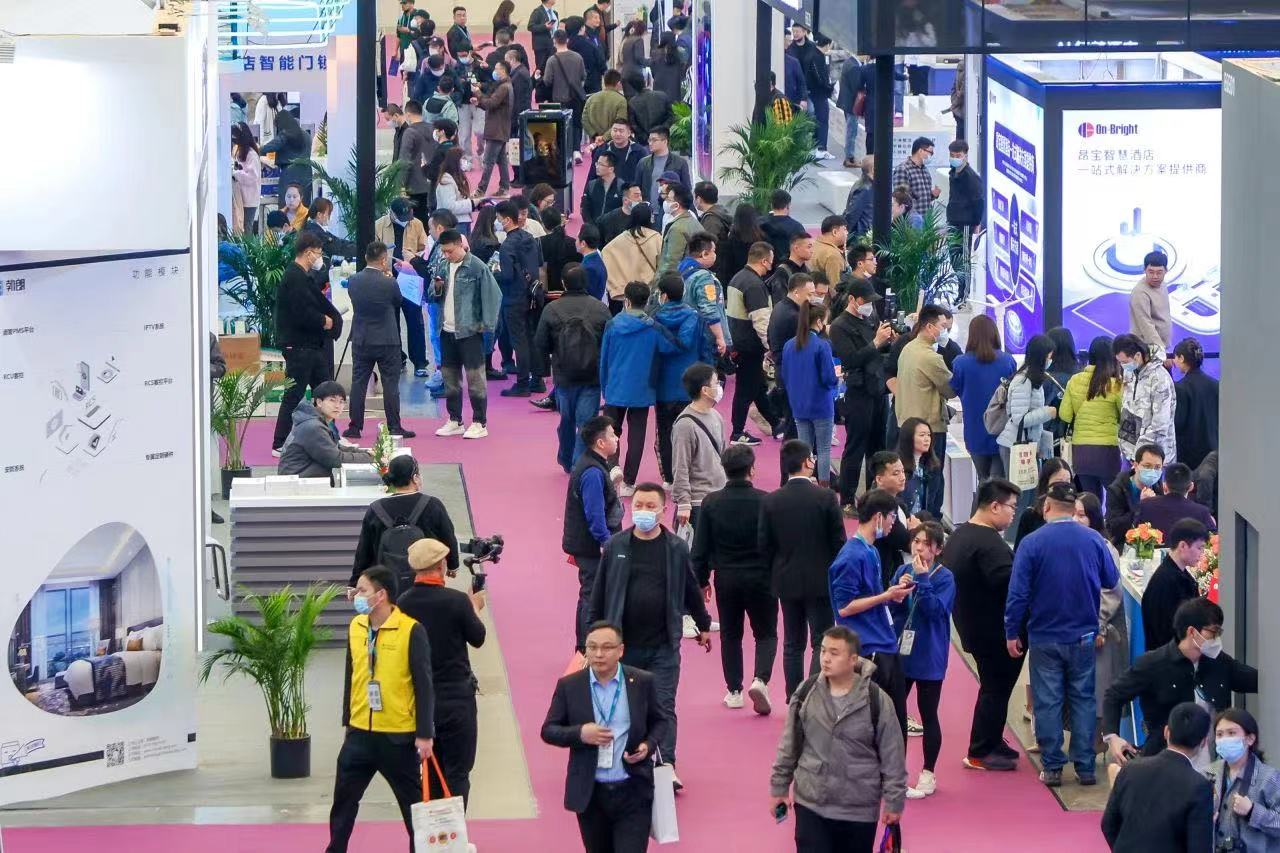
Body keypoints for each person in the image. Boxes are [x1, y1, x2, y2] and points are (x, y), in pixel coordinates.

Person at [588, 483, 713, 786]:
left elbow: (690, 589)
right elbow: (599, 594)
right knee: (623, 704)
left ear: (663, 510)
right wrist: (590, 640)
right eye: (638, 505)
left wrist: (703, 624)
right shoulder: (616, 546)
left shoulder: (676, 548)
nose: (643, 511)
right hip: (623, 646)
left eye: (650, 506)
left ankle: (666, 764)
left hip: (663, 645)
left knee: (663, 705)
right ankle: (622, 759)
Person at [1005, 482, 1119, 787]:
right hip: (1083, 635)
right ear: (1073, 508)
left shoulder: (1032, 543)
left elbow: (1018, 594)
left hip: (1044, 635)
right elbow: (1111, 579)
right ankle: (1085, 767)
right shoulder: (1094, 540)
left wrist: (1012, 630)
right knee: (1083, 698)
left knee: (1048, 700)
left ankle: (1053, 766)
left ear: (1046, 507)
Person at [325, 566, 434, 853]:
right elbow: (351, 675)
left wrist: (424, 734)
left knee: (414, 810)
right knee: (343, 803)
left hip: (397, 736)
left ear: (381, 595)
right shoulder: (356, 627)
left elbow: (424, 685)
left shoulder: (411, 630)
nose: (355, 596)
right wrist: (348, 720)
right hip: (359, 733)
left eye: (362, 590)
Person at [769, 626, 906, 853]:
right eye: (823, 651)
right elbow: (788, 745)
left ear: (853, 659)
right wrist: (779, 788)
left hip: (859, 810)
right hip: (811, 804)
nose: (825, 658)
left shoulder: (877, 700)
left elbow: (893, 756)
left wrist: (894, 801)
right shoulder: (806, 692)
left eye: (834, 653)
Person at [540, 621, 669, 853]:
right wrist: (580, 733)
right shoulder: (570, 685)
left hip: (633, 789)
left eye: (607, 647)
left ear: (621, 650)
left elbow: (660, 721)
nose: (599, 654)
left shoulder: (641, 682)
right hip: (591, 794)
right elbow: (549, 730)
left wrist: (647, 745)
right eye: (592, 647)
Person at [1106, 597, 1258, 765]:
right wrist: (1112, 737)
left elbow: (1256, 680)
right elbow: (1113, 695)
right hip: (1164, 762)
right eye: (1213, 632)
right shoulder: (1153, 664)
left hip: (1213, 761)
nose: (1216, 639)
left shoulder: (1219, 662)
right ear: (1192, 632)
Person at [393, 537, 484, 806]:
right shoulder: (457, 601)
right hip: (457, 698)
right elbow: (478, 637)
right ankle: (454, 828)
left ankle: (433, 827)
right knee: (458, 772)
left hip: (421, 702)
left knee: (430, 771)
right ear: (441, 565)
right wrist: (475, 607)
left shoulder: (403, 603)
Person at [942, 477, 1025, 771]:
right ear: (994, 506)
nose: (1014, 513)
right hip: (994, 631)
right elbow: (1010, 586)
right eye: (1011, 507)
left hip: (972, 625)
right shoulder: (989, 544)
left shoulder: (961, 534)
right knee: (995, 689)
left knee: (995, 688)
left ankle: (991, 738)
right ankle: (980, 750)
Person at [691, 445, 777, 714]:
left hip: (726, 577)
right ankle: (760, 679)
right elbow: (775, 543)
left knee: (730, 634)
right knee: (766, 633)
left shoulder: (711, 502)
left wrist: (702, 580)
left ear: (724, 470)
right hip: (762, 576)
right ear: (752, 469)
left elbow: (700, 548)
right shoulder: (766, 501)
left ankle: (734, 690)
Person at [760, 439, 848, 699]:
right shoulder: (826, 497)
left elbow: (764, 545)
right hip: (821, 580)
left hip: (786, 580)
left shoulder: (771, 501)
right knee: (821, 640)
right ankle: (811, 695)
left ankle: (793, 696)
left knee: (792, 642)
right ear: (807, 461)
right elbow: (839, 542)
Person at [829, 487, 916, 737]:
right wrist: (886, 596)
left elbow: (870, 597)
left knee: (894, 723)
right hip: (869, 649)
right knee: (876, 726)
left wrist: (891, 595)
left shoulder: (872, 551)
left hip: (883, 641)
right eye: (892, 517)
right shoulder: (851, 557)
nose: (893, 524)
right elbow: (844, 607)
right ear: (879, 517)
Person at [889, 520, 955, 799]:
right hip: (902, 651)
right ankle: (894, 772)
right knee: (894, 714)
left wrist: (923, 580)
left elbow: (934, 611)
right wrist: (897, 591)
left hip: (929, 654)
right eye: (916, 541)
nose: (919, 548)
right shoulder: (903, 570)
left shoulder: (945, 577)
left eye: (926, 544)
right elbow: (891, 608)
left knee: (928, 714)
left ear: (938, 549)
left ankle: (928, 771)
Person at [1101, 702, 1214, 853]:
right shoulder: (1199, 786)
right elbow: (1199, 847)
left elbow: (1108, 824)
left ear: (1166, 732)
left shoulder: (1130, 769)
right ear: (1204, 742)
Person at [536, 264, 612, 471]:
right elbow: (609, 342)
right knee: (586, 423)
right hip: (592, 375)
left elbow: (541, 343)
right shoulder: (600, 309)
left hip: (564, 374)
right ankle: (579, 463)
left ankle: (566, 457)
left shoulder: (552, 309)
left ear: (563, 283)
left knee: (567, 419)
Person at [270, 233, 341, 454]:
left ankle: (331, 436)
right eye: (318, 253)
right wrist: (324, 321)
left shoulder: (302, 276)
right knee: (294, 394)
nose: (320, 258)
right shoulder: (294, 277)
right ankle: (279, 442)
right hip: (299, 346)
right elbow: (302, 312)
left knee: (325, 391)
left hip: (311, 345)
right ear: (308, 253)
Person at [431, 228, 502, 440]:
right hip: (446, 330)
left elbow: (493, 296)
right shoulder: (443, 266)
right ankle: (455, 420)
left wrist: (486, 326)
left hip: (470, 331)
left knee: (475, 378)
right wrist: (437, 287)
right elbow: (432, 295)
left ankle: (480, 421)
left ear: (460, 245)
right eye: (444, 251)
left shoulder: (477, 267)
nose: (447, 255)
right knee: (450, 378)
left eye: (450, 251)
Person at [829, 276, 895, 504]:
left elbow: (879, 353)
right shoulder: (839, 326)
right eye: (865, 301)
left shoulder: (870, 319)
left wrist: (888, 341)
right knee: (856, 447)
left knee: (878, 447)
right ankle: (847, 499)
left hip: (878, 390)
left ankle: (874, 496)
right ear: (852, 299)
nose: (869, 305)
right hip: (858, 393)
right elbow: (851, 359)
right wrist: (876, 342)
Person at [600, 281, 671, 492]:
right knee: (637, 434)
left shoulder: (612, 325)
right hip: (643, 387)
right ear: (647, 301)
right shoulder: (654, 327)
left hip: (615, 385)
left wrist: (605, 385)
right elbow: (668, 350)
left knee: (610, 430)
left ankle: (613, 466)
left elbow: (604, 358)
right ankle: (630, 481)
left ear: (627, 301)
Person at [563, 416, 624, 653]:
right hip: (591, 547)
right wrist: (606, 542)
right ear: (600, 442)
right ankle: (584, 648)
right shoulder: (592, 473)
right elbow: (595, 515)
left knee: (591, 594)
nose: (616, 439)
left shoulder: (592, 464)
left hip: (587, 544)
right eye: (612, 435)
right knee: (591, 596)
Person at [351, 454, 458, 585]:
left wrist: (354, 582)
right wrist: (453, 565)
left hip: (387, 583)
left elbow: (364, 551)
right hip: (426, 579)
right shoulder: (432, 504)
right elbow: (448, 537)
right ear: (415, 478)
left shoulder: (375, 509)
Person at [343, 242, 413, 440]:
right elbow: (398, 301)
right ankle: (394, 426)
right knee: (390, 384)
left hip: (361, 338)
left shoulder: (353, 281)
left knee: (359, 383)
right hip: (387, 339)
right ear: (384, 260)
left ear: (366, 258)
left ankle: (355, 427)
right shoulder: (390, 283)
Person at [1074, 492, 1129, 739]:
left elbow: (1110, 592)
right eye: (1073, 514)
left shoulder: (1105, 548)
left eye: (1082, 515)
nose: (1076, 520)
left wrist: (1097, 623)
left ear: (1094, 518)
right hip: (1073, 628)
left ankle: (1098, 741)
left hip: (1098, 629)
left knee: (1099, 687)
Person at [652, 274, 704, 485]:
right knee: (691, 431)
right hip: (689, 384)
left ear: (663, 295)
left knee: (665, 432)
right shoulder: (695, 317)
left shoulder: (654, 320)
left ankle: (669, 477)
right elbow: (704, 349)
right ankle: (690, 473)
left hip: (663, 384)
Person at [948, 314, 1015, 479]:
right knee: (999, 481)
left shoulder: (960, 363)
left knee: (983, 478)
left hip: (974, 430)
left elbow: (953, 390)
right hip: (1002, 429)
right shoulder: (1008, 361)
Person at [493, 200, 546, 398]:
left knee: (519, 340)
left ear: (507, 220)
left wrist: (495, 273)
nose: (497, 223)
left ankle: (522, 383)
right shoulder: (530, 238)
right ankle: (537, 379)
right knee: (532, 337)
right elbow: (538, 263)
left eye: (499, 219)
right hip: (533, 293)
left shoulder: (507, 245)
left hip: (514, 297)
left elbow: (507, 276)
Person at [782, 301, 839, 486]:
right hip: (821, 404)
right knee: (823, 450)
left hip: (798, 404)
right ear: (820, 321)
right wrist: (838, 378)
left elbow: (785, 375)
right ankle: (824, 489)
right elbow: (829, 378)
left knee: (804, 450)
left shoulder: (789, 345)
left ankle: (802, 485)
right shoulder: (822, 345)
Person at [1060, 336, 1124, 500]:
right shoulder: (1116, 384)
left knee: (1089, 501)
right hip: (1107, 451)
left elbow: (1064, 415)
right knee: (1115, 500)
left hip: (1081, 451)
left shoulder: (1074, 380)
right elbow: (1124, 415)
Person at [726, 241, 777, 446]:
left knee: (756, 387)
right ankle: (737, 432)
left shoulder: (738, 278)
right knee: (745, 390)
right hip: (750, 345)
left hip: (739, 341)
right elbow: (761, 320)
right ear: (764, 261)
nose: (771, 266)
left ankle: (775, 423)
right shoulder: (755, 285)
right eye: (771, 261)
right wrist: (771, 347)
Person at [1210, 709, 1280, 852]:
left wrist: (1253, 811)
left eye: (1231, 733)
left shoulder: (1269, 777)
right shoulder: (1208, 773)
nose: (1224, 739)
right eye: (1219, 734)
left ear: (1250, 739)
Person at [894, 305, 956, 463]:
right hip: (928, 427)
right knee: (932, 473)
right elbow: (951, 390)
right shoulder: (931, 357)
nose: (945, 331)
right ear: (929, 326)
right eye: (943, 326)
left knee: (912, 470)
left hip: (906, 423)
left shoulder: (907, 349)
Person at [1139, 517, 1211, 652]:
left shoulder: (1179, 574)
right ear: (1183, 546)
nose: (1202, 554)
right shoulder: (1167, 582)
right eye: (1199, 548)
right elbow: (1168, 632)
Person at [670, 362, 727, 532]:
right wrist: (684, 503)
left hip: (719, 496)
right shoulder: (685, 425)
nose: (719, 386)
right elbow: (680, 466)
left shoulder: (716, 416)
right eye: (716, 382)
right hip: (697, 502)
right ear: (705, 390)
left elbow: (723, 456)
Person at [277, 380, 372, 478]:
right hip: (298, 482)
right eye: (332, 400)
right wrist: (372, 458)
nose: (337, 406)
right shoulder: (313, 427)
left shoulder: (315, 421)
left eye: (341, 402)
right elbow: (336, 459)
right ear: (319, 402)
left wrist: (366, 453)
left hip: (302, 477)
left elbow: (335, 447)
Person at [995, 332, 1057, 475]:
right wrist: (1047, 412)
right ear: (1040, 357)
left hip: (1026, 444)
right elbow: (1019, 419)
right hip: (1016, 445)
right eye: (1049, 357)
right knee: (1019, 489)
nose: (1050, 360)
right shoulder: (1023, 381)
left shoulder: (1033, 379)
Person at [766, 272, 815, 445]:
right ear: (796, 292)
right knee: (794, 428)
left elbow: (769, 338)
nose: (812, 299)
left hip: (784, 370)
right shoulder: (794, 316)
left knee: (792, 425)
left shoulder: (780, 307)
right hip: (793, 375)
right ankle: (791, 462)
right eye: (810, 294)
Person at [1116, 332, 1178, 463]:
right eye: (1120, 362)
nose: (1122, 366)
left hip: (1155, 458)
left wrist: (1140, 456)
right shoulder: (1130, 373)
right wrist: (1128, 451)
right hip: (1130, 455)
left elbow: (1160, 426)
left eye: (1125, 362)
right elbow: (1127, 411)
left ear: (1138, 356)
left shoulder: (1159, 378)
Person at [1105, 442, 1168, 548]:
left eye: (1157, 467)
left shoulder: (1157, 485)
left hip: (1152, 542)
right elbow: (1114, 528)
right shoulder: (1117, 489)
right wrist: (1141, 506)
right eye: (1147, 466)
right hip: (1125, 544)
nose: (1152, 472)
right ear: (1135, 465)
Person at [677, 232, 730, 357]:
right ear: (704, 254)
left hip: (685, 331)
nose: (715, 255)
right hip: (703, 337)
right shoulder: (703, 277)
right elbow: (709, 310)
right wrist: (720, 337)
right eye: (713, 251)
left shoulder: (681, 270)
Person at [602, 202, 660, 313]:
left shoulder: (622, 238)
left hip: (628, 292)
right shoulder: (656, 237)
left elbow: (606, 252)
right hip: (649, 291)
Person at [1132, 463, 1216, 537]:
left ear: (1165, 486)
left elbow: (1133, 535)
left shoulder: (1145, 506)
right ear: (1191, 487)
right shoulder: (1202, 512)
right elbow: (1214, 541)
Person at [945, 139, 984, 301]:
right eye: (952, 155)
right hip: (953, 220)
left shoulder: (970, 177)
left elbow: (978, 201)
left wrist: (977, 222)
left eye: (958, 155)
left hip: (965, 223)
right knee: (954, 258)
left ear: (965, 156)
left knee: (963, 260)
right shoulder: (953, 172)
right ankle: (960, 291)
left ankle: (964, 295)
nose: (955, 158)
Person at [1173, 337, 1219, 470]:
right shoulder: (1216, 384)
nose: (1174, 362)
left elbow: (1178, 423)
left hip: (1190, 456)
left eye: (1175, 357)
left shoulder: (1181, 387)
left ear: (1181, 358)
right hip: (1214, 450)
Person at [472, 60, 514, 197]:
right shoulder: (506, 86)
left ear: (503, 70)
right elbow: (491, 103)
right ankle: (504, 188)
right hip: (500, 128)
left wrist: (478, 93)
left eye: (496, 68)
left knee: (488, 161)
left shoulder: (503, 88)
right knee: (501, 161)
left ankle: (481, 190)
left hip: (496, 129)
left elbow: (491, 103)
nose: (494, 71)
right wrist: (479, 102)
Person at [1012, 457, 1074, 548]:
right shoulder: (1030, 516)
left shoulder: (1077, 512)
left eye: (1067, 482)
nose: (1064, 487)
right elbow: (1019, 550)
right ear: (1046, 483)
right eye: (1058, 483)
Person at [637, 127, 690, 229]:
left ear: (665, 141)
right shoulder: (643, 163)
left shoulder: (680, 163)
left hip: (670, 212)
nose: (650, 143)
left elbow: (686, 188)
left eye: (654, 140)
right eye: (649, 140)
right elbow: (637, 187)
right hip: (648, 212)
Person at [544, 30, 588, 150]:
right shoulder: (578, 57)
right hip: (576, 97)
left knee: (561, 125)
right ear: (567, 40)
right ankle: (576, 150)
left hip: (559, 98)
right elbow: (583, 76)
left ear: (554, 41)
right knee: (576, 124)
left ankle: (563, 150)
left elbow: (547, 81)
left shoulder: (552, 60)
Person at [261, 112, 312, 207]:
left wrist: (257, 149)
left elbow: (270, 147)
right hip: (306, 173)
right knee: (303, 205)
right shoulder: (306, 135)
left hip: (290, 173)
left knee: (288, 206)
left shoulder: (286, 135)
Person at [1129, 250, 1172, 360]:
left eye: (1159, 272)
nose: (1155, 276)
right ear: (1144, 270)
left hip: (1161, 347)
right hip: (1146, 350)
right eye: (1151, 272)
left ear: (1166, 271)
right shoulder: (1140, 292)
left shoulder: (1163, 284)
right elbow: (1146, 325)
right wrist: (1160, 351)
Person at [899, 418, 944, 519]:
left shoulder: (932, 467)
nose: (927, 439)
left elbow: (932, 503)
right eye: (922, 435)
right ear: (908, 438)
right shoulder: (897, 467)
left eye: (929, 435)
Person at [655, 184, 701, 277]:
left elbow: (672, 263)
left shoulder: (677, 228)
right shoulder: (694, 222)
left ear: (676, 205)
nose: (665, 202)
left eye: (668, 199)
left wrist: (659, 282)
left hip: (677, 280)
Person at [760, 190, 808, 267]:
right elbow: (803, 252)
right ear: (788, 205)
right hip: (788, 269)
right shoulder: (797, 227)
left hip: (764, 268)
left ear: (771, 205)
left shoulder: (760, 224)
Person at [592, 120, 648, 186]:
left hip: (630, 190)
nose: (617, 134)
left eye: (621, 131)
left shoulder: (639, 151)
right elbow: (592, 174)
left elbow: (645, 176)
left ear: (629, 133)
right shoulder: (602, 150)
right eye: (615, 130)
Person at [230, 123, 262, 234]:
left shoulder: (251, 155)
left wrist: (235, 173)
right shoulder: (239, 150)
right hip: (241, 197)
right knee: (240, 227)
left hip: (249, 200)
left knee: (247, 228)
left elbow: (252, 177)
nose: (234, 140)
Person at [766, 232, 814, 304]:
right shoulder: (782, 272)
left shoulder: (807, 270)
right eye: (809, 247)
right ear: (796, 248)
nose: (812, 251)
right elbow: (780, 301)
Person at [583, 70, 628, 144]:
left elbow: (584, 120)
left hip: (595, 142)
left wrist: (595, 135)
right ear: (618, 83)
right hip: (614, 142)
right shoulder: (621, 100)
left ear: (604, 82)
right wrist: (604, 138)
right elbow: (621, 121)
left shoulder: (591, 98)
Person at [568, 13, 608, 96]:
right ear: (582, 28)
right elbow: (600, 62)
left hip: (570, 85)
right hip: (592, 82)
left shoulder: (566, 45)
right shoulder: (589, 44)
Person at [628, 74, 675, 143]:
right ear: (645, 81)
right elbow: (671, 116)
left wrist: (645, 137)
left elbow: (633, 124)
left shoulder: (632, 102)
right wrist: (662, 130)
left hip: (643, 141)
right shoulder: (662, 96)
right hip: (662, 138)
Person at [581, 151, 624, 225]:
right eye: (597, 163)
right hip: (593, 228)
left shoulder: (621, 187)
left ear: (611, 169)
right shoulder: (591, 185)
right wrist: (591, 227)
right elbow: (585, 208)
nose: (597, 167)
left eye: (601, 164)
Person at [836, 56, 863, 168]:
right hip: (852, 103)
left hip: (847, 102)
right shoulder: (854, 66)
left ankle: (849, 156)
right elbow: (857, 86)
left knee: (851, 129)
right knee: (852, 130)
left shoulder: (849, 62)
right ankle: (850, 157)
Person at [650, 31, 686, 104]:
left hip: (659, 97)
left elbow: (653, 73)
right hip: (674, 96)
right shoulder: (679, 57)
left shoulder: (655, 56)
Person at [843, 156, 875, 236]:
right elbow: (852, 213)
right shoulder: (865, 189)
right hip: (862, 234)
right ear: (873, 169)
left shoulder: (864, 184)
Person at [618, 20, 649, 96]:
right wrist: (651, 62)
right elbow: (639, 58)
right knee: (638, 99)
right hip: (635, 76)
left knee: (628, 99)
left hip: (625, 74)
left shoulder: (627, 40)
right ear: (643, 30)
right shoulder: (639, 40)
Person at [527, 0, 559, 73]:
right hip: (541, 46)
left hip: (552, 45)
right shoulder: (537, 12)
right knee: (541, 69)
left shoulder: (555, 13)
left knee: (552, 68)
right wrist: (544, 27)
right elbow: (530, 27)